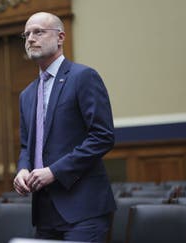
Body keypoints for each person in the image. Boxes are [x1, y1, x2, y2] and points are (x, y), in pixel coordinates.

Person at [13, 12, 116, 242]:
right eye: (27, 34)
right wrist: (22, 168)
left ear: (60, 37)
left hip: (83, 209)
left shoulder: (83, 77)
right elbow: (26, 145)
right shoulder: (27, 95)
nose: (30, 38)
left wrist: (55, 171)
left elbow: (103, 136)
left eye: (38, 32)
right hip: (44, 211)